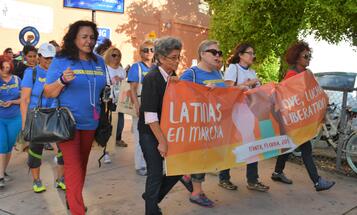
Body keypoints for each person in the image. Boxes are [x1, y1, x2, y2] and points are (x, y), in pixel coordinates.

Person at [44, 20, 107, 215]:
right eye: (84, 37)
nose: (89, 41)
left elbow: (101, 89)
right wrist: (62, 81)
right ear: (74, 38)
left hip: (91, 121)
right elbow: (48, 92)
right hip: (68, 123)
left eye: (92, 37)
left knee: (81, 165)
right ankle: (78, 210)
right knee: (73, 166)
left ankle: (73, 198)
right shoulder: (62, 60)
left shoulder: (99, 61)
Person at [271, 41, 335, 191]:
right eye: (305, 55)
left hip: (299, 120)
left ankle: (277, 172)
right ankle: (317, 181)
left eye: (309, 55)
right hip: (294, 120)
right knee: (306, 149)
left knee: (288, 146)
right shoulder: (292, 76)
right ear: (297, 57)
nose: (308, 58)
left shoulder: (306, 74)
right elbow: (290, 98)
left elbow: (312, 95)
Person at [180, 40, 235, 208]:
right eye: (213, 52)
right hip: (197, 125)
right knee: (200, 157)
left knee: (206, 156)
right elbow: (179, 98)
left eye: (220, 53)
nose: (218, 55)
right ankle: (196, 192)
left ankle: (187, 175)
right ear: (202, 54)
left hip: (213, 124)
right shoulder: (191, 74)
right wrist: (203, 95)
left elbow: (224, 98)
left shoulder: (218, 75)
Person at [139, 36, 183, 215]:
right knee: (155, 174)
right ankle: (151, 210)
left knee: (179, 169)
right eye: (173, 57)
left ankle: (151, 197)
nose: (177, 61)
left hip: (168, 131)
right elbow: (149, 116)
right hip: (151, 133)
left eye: (178, 57)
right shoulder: (152, 78)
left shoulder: (173, 77)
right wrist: (162, 141)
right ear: (162, 58)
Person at [224, 43, 270, 192]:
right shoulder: (233, 69)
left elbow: (255, 93)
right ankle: (224, 178)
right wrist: (247, 84)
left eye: (253, 53)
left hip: (250, 112)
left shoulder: (252, 72)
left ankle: (252, 179)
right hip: (236, 111)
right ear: (241, 55)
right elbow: (228, 90)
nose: (252, 56)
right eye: (250, 53)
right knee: (234, 143)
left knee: (252, 143)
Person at [20, 43, 65, 193]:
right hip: (37, 117)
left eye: (52, 58)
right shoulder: (31, 73)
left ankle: (60, 179)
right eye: (46, 58)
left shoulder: (59, 73)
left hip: (55, 116)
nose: (50, 61)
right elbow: (25, 100)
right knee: (35, 151)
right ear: (39, 57)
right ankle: (37, 181)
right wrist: (25, 124)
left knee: (62, 150)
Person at [127, 40, 154, 176]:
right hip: (141, 103)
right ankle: (140, 165)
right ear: (140, 52)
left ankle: (150, 162)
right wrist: (136, 106)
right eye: (145, 50)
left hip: (154, 105)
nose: (149, 52)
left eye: (151, 49)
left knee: (152, 135)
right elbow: (132, 88)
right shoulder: (136, 67)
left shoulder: (155, 67)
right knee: (140, 136)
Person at [102, 47, 127, 164]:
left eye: (118, 55)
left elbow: (125, 84)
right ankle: (106, 152)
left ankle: (110, 146)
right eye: (113, 55)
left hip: (120, 101)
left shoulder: (122, 70)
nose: (116, 58)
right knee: (109, 127)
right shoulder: (105, 68)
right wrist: (112, 81)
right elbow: (103, 83)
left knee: (119, 126)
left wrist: (121, 80)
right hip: (109, 102)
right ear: (108, 56)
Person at [0, 56, 21, 189]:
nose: (5, 70)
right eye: (3, 68)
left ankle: (3, 170)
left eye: (8, 68)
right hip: (0, 118)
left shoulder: (17, 80)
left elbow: (24, 98)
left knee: (8, 147)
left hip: (15, 118)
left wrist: (12, 102)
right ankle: (0, 176)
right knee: (1, 145)